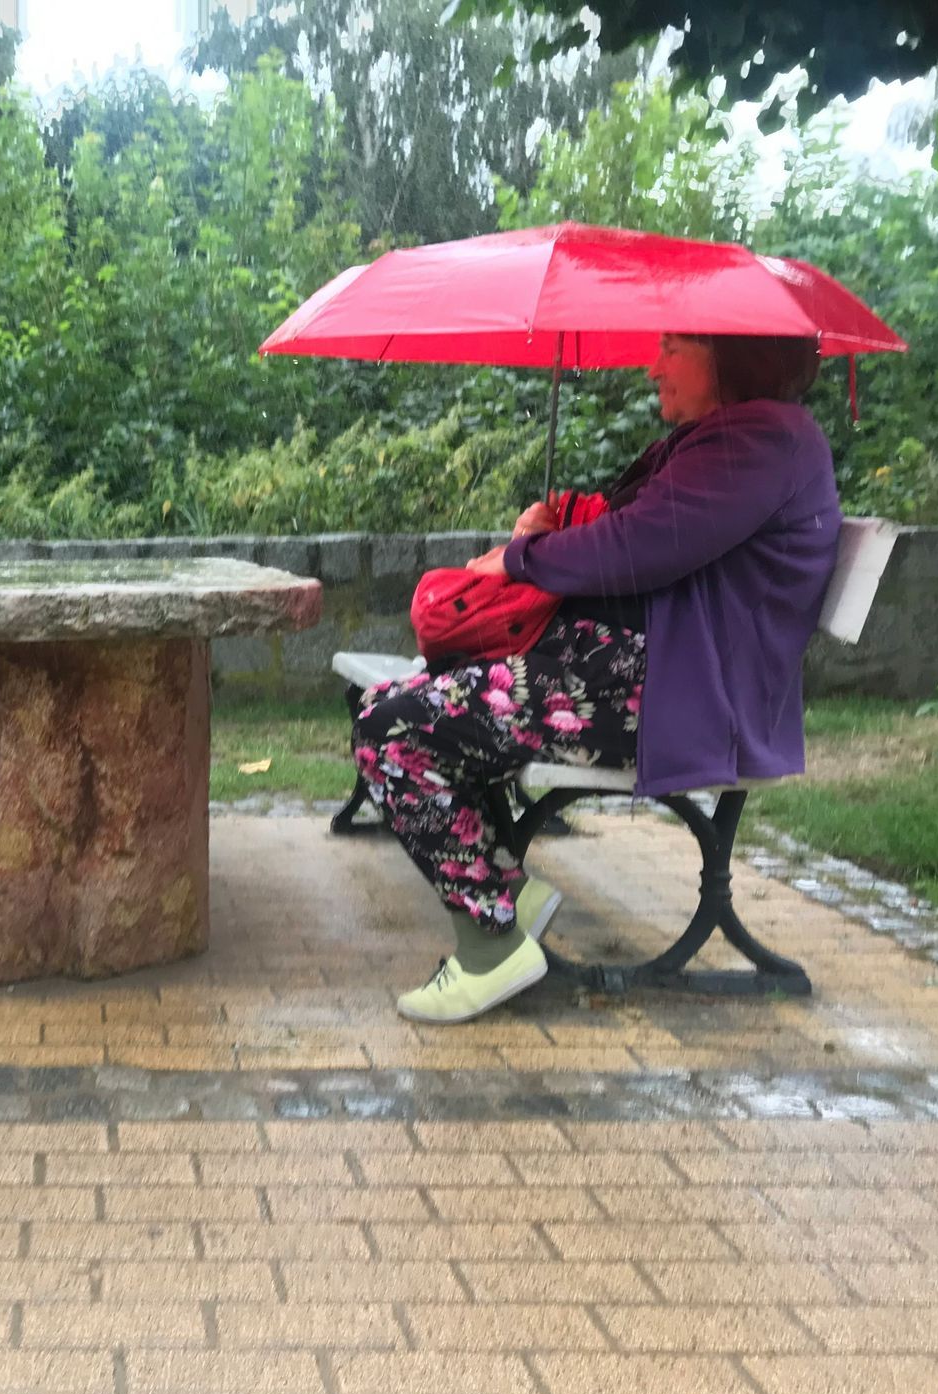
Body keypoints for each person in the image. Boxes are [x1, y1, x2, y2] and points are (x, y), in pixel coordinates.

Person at [352, 332, 840, 1024]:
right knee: (394, 705)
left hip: (674, 700)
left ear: (730, 355)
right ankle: (507, 896)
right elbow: (637, 527)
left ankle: (492, 949)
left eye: (673, 347)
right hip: (637, 679)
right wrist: (550, 530)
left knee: (393, 729)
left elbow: (638, 548)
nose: (653, 365)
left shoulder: (756, 443)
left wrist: (521, 558)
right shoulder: (737, 440)